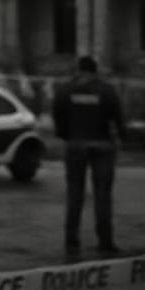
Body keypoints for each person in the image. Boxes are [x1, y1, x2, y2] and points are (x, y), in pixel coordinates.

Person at [53, 55, 124, 255]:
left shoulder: (66, 90)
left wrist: (66, 135)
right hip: (103, 146)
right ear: (95, 70)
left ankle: (72, 241)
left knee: (75, 193)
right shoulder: (107, 90)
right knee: (103, 195)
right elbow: (118, 116)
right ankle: (106, 241)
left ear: (79, 69)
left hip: (75, 145)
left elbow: (57, 115)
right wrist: (122, 137)